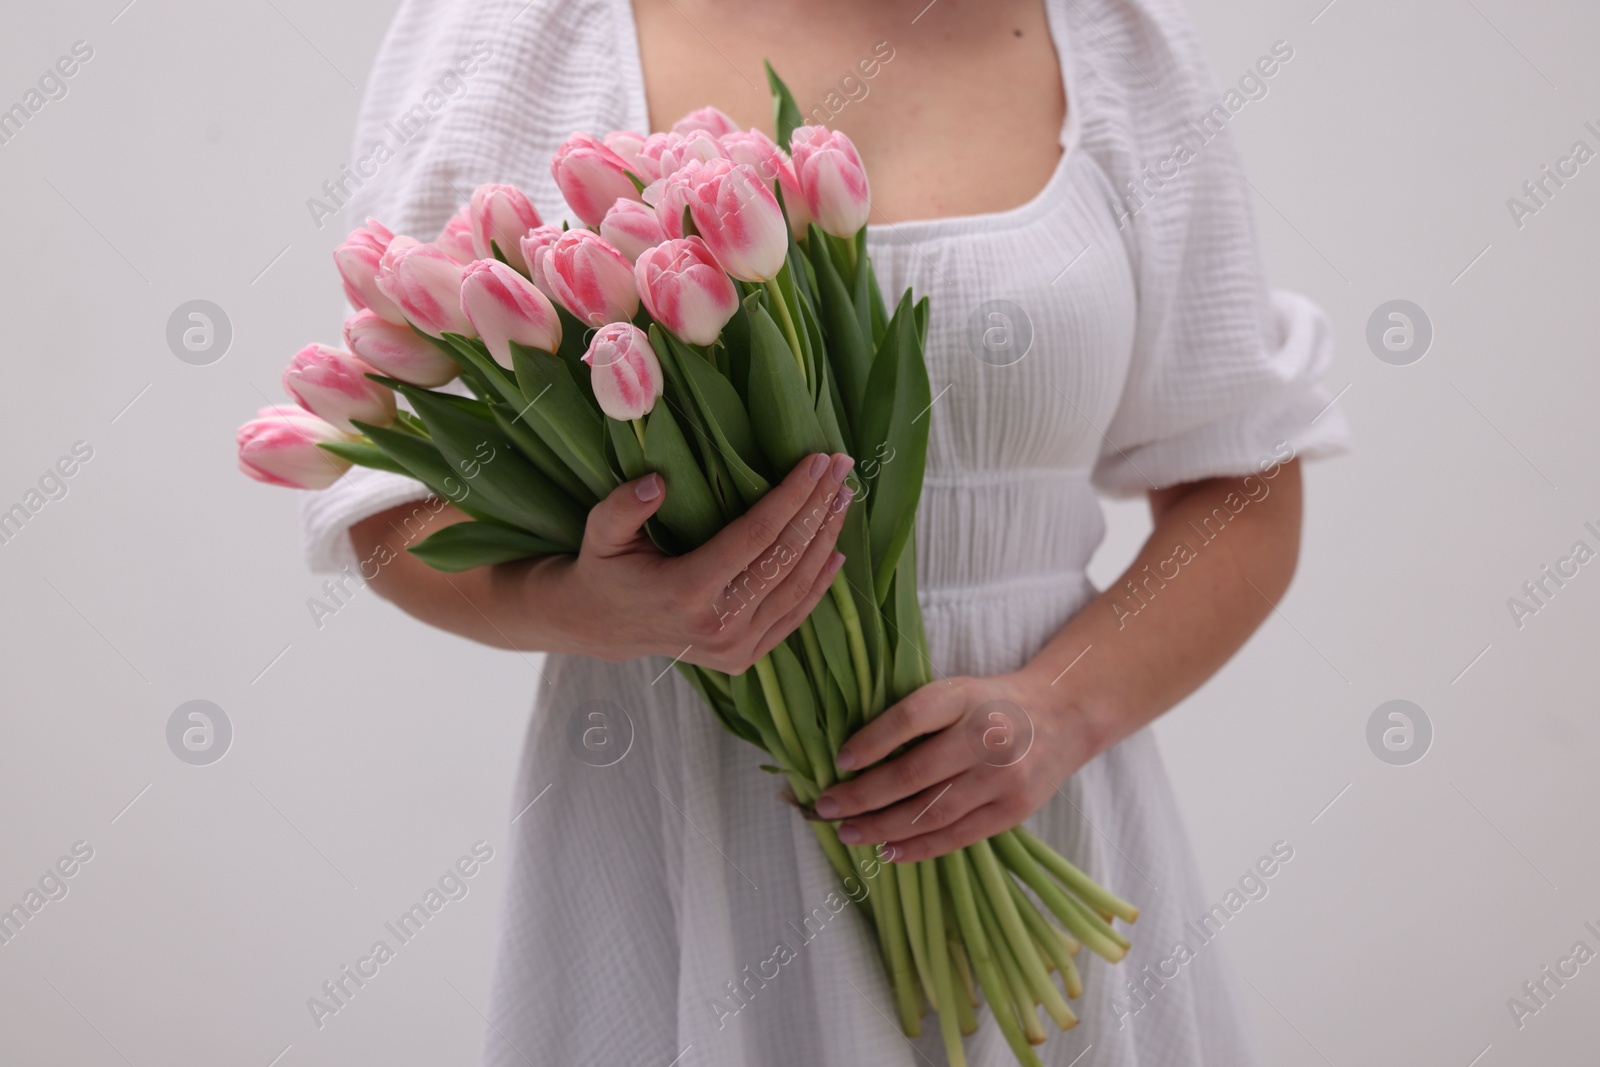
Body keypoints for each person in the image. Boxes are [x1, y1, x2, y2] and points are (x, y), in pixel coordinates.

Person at [304, 0, 1348, 1062]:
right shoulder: (517, 33)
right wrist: (581, 606)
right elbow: (391, 497)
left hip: (1034, 804)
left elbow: (1244, 480)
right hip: (683, 825)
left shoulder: (1115, 38)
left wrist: (1063, 708)